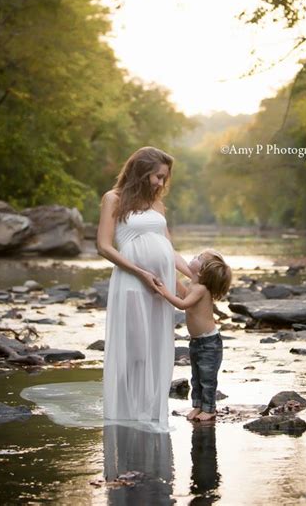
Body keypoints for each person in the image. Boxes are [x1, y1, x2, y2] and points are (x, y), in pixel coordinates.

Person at [97, 146, 192, 426]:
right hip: (131, 282)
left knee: (156, 347)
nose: (161, 183)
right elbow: (103, 246)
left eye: (165, 178)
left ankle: (150, 412)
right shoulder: (113, 199)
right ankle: (127, 414)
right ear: (141, 171)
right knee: (136, 350)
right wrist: (140, 273)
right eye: (158, 177)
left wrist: (195, 280)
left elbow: (169, 250)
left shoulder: (157, 205)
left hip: (161, 288)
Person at [157, 249, 232, 421]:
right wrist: (172, 280)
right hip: (197, 342)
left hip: (209, 343)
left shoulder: (201, 289)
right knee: (196, 378)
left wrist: (164, 291)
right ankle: (198, 407)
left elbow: (183, 304)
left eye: (199, 258)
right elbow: (185, 294)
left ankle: (209, 409)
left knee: (207, 379)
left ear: (201, 270)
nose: (194, 257)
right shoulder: (194, 285)